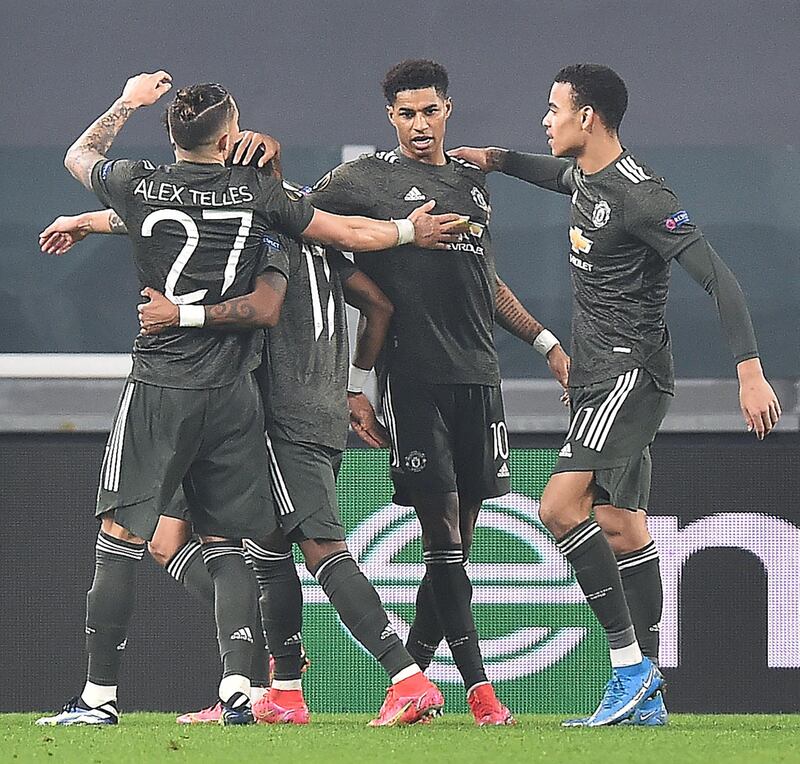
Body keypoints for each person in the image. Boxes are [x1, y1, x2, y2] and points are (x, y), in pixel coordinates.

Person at [35, 71, 462, 727]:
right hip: (253, 396)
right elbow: (351, 241)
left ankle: (103, 698)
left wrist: (125, 105)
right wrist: (407, 234)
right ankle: (262, 690)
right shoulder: (271, 204)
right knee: (233, 544)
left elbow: (94, 171)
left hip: (212, 389)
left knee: (165, 537)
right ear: (235, 140)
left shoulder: (159, 187)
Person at [233, 59, 570, 725]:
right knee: (441, 536)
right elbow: (293, 212)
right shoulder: (364, 180)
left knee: (456, 549)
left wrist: (548, 344)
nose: (420, 124)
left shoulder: (470, 183)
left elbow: (487, 282)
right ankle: (475, 691)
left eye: (430, 111)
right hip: (411, 384)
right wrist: (358, 383)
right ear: (391, 117)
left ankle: (415, 682)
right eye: (407, 113)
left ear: (448, 110)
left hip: (481, 382)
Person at [450, 63, 782, 726]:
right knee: (624, 528)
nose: (545, 120)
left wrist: (749, 369)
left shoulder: (643, 196)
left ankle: (631, 667)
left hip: (630, 377)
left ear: (587, 117)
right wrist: (495, 159)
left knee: (558, 507)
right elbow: (557, 174)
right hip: (599, 377)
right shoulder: (586, 177)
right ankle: (644, 698)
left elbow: (718, 277)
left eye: (553, 108)